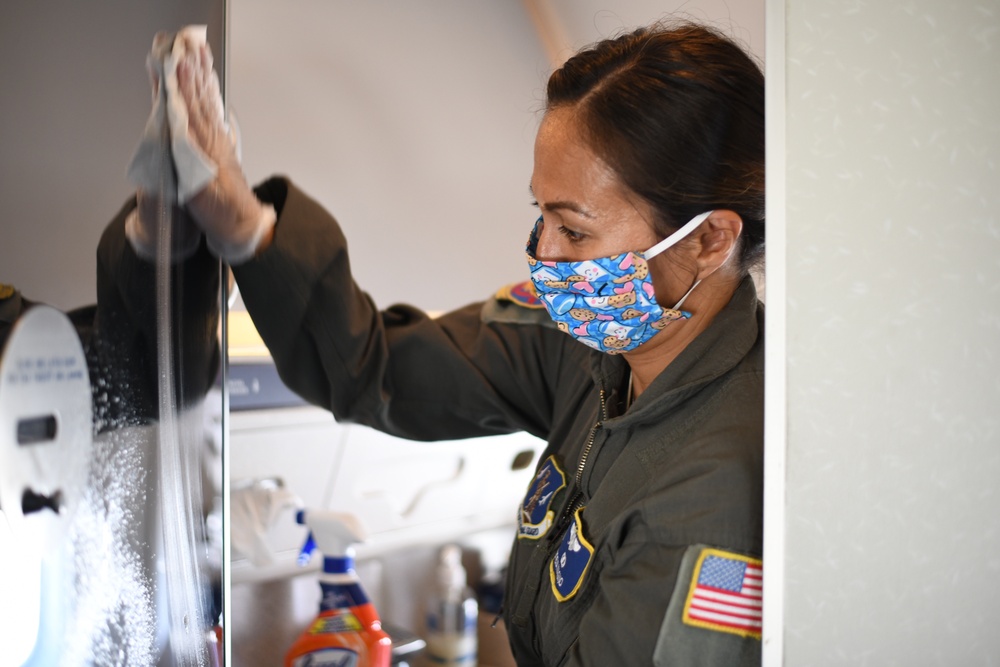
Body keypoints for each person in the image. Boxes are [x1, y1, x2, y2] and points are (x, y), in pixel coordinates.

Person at [137, 20, 766, 666]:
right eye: (540, 216)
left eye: (573, 231)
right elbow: (375, 365)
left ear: (709, 239)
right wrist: (243, 223)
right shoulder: (592, 342)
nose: (543, 254)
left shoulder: (716, 489)